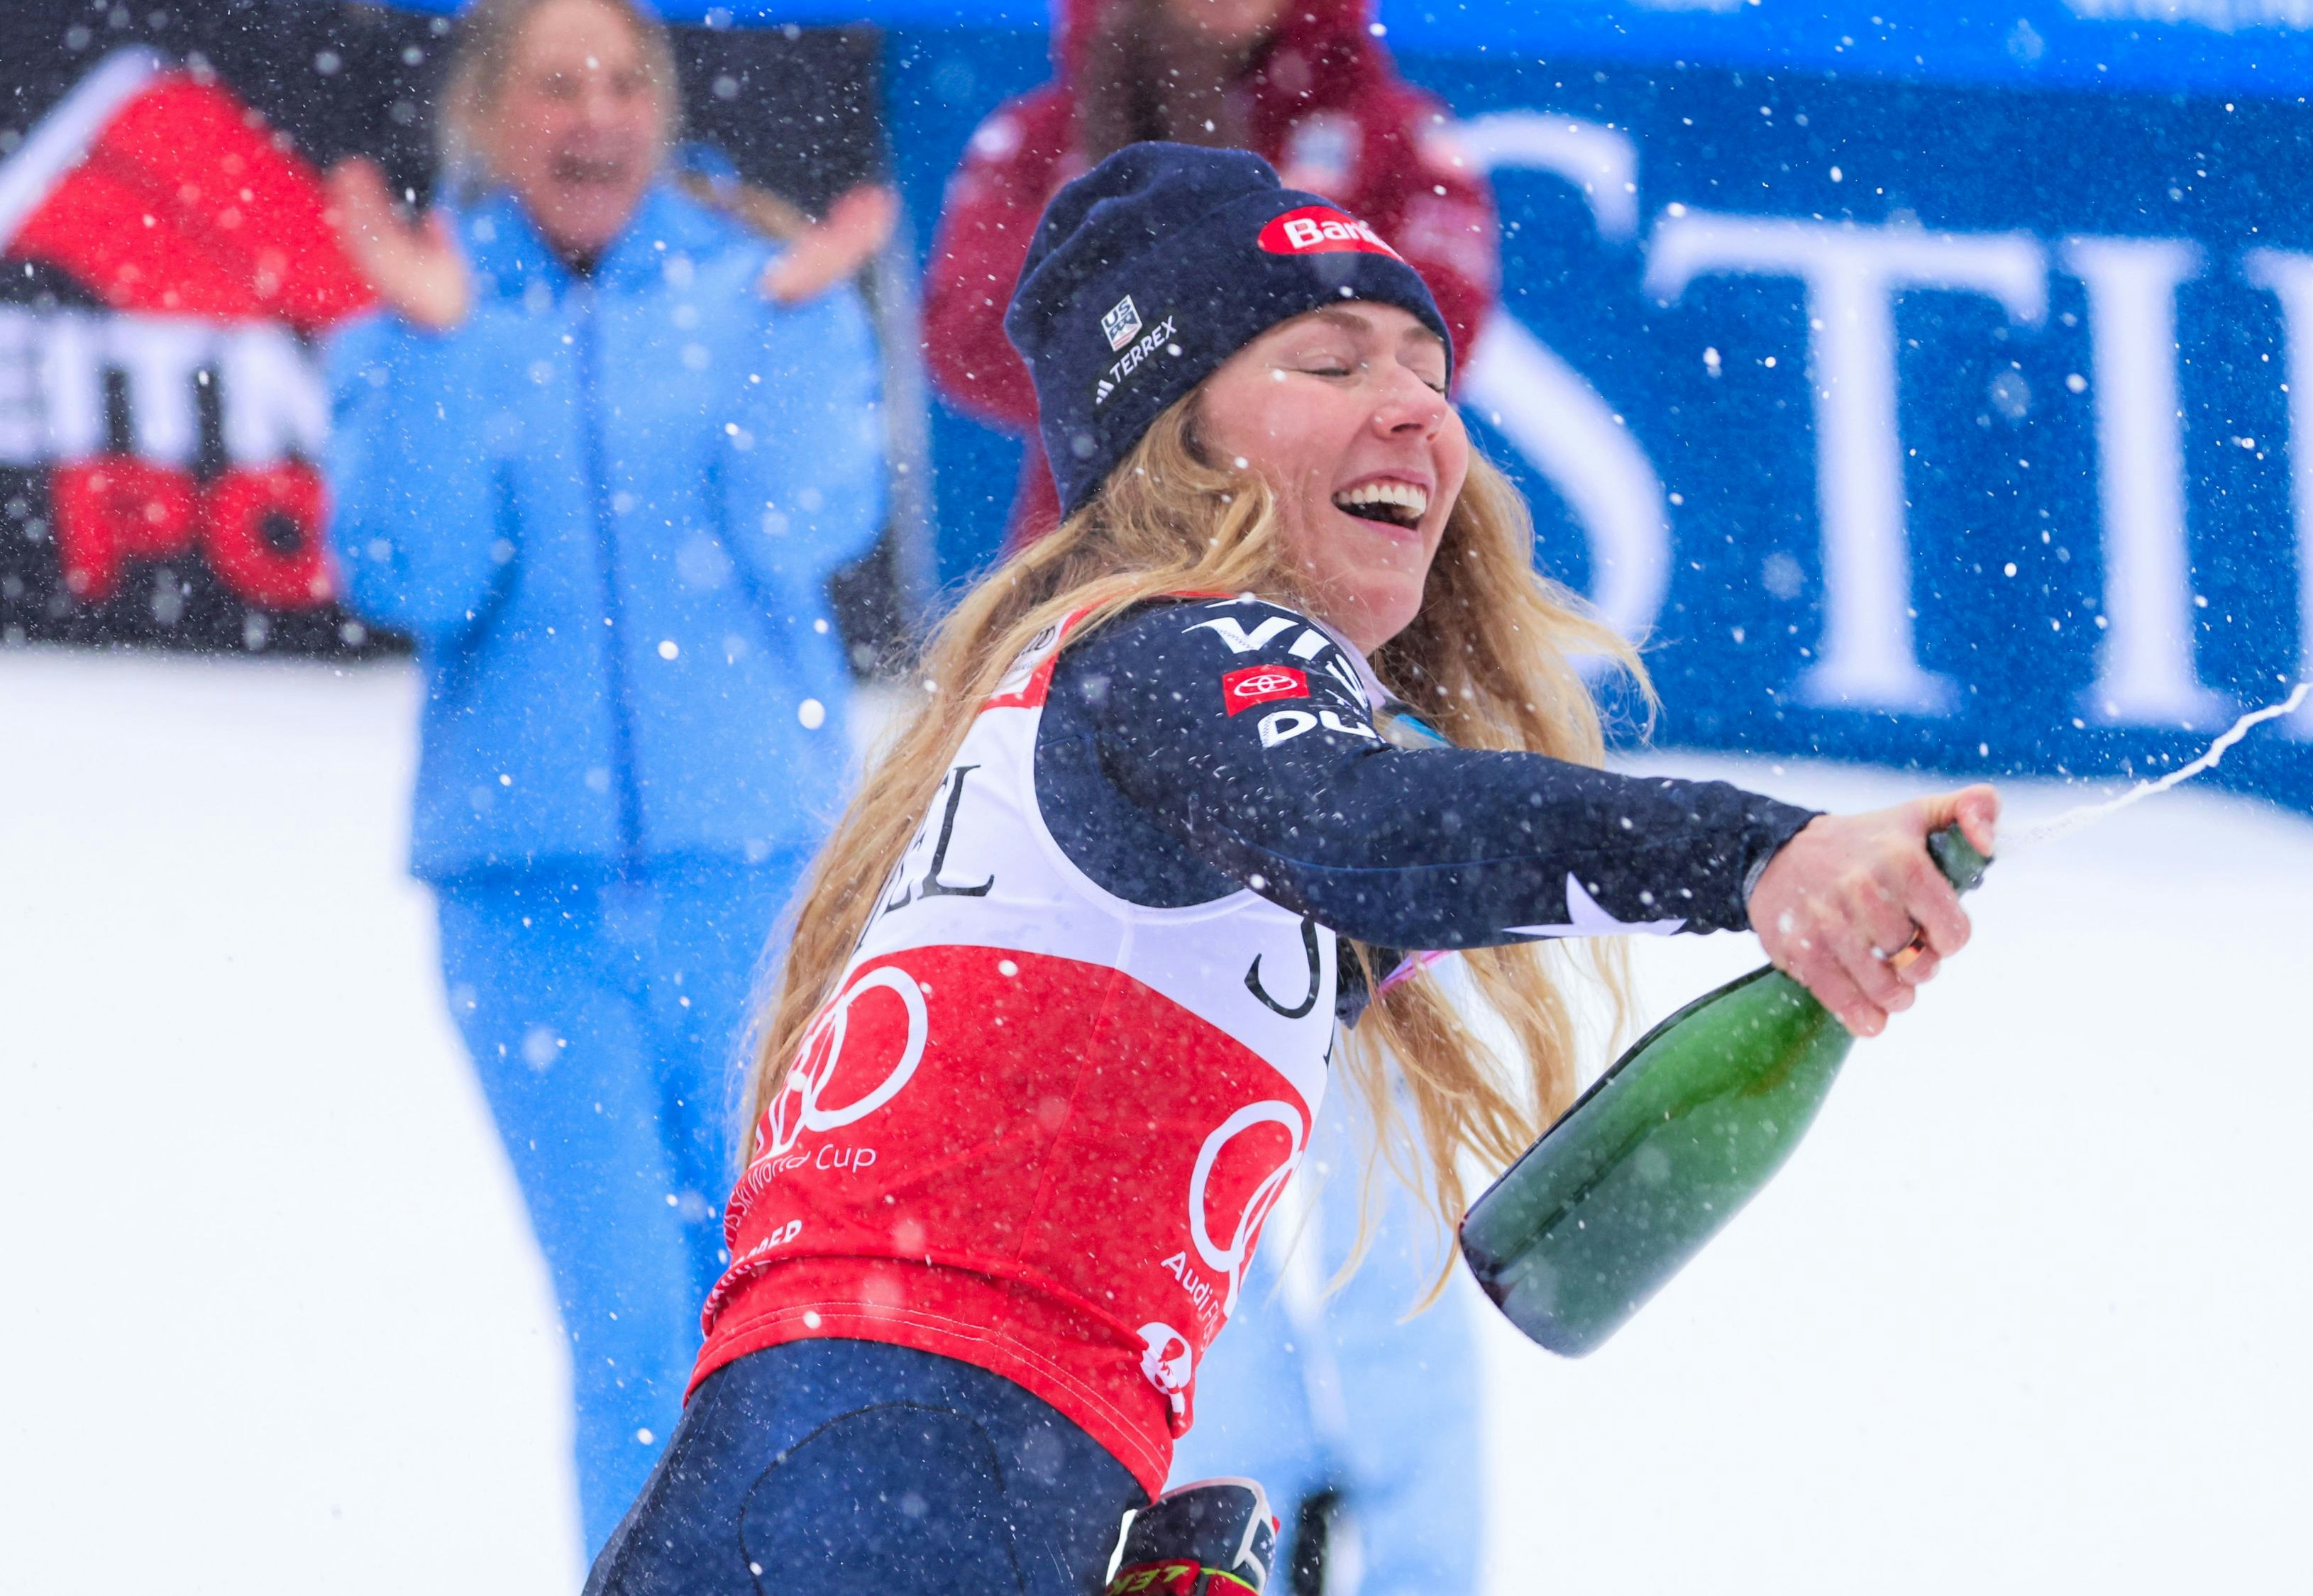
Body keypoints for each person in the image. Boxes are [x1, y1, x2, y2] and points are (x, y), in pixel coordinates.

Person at [588, 141, 1994, 1594]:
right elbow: (1372, 830)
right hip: (892, 1489)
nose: (1411, 409)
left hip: (854, 1482)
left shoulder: (1152, 723)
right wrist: (1763, 855)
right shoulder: (1180, 651)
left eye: (1424, 372)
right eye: (1326, 364)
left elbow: (1413, 852)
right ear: (1180, 443)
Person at [921, 9, 1498, 1583]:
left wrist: (1189, 301)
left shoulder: (1385, 126)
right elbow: (972, 332)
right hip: (1116, 704)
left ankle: (1430, 1556)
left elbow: (1431, 326)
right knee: (1164, 1170)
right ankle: (1241, 1509)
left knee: (1392, 1159)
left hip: (1357, 689)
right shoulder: (1043, 130)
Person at [319, 0, 889, 1559]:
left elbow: (811, 529)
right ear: (490, 118)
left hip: (761, 889)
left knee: (784, 1313)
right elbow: (408, 573)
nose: (595, 113)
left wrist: (785, 336)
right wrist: (438, 358)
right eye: (556, 83)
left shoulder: (758, 291)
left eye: (623, 80)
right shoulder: (416, 315)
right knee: (633, 1330)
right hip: (524, 911)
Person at [921, 0, 1496, 549]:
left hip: (1333, 543)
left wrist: (1158, 306)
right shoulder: (1043, 137)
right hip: (1101, 552)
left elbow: (1436, 348)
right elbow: (967, 350)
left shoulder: (1394, 132)